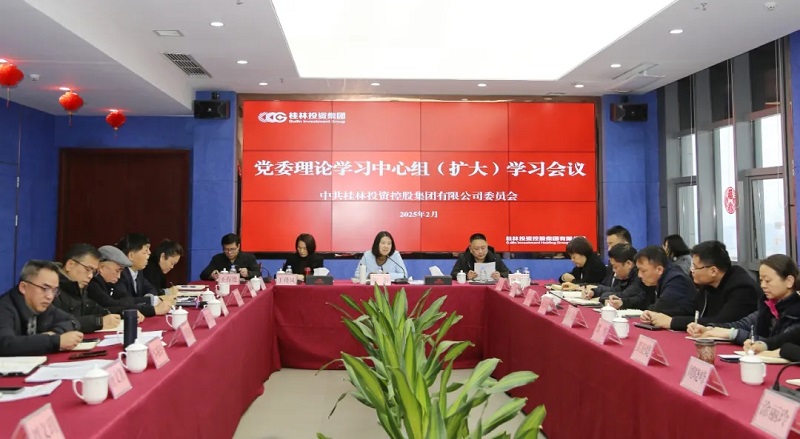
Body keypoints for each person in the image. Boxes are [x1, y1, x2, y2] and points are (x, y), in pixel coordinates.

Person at [688, 254, 800, 346]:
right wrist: (709, 329)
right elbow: (744, 324)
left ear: (789, 281)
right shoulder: (768, 305)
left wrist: (733, 334)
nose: (763, 285)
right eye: (761, 280)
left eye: (768, 281)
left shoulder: (796, 312)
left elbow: (776, 343)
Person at [645, 240, 758, 330]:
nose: (691, 271)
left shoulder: (742, 289)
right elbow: (690, 309)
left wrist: (672, 322)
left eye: (695, 267)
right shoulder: (708, 285)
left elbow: (722, 322)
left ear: (713, 271)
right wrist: (657, 315)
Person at [0, 260, 84, 356]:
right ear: (23, 287)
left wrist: (55, 333)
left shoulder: (43, 305)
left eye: (54, 290)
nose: (50, 296)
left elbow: (72, 321)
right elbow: (5, 344)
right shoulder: (4, 308)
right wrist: (55, 341)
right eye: (45, 289)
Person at [87, 245, 170, 320]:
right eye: (117, 271)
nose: (119, 276)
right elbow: (112, 305)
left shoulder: (110, 283)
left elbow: (127, 300)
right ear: (101, 267)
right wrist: (153, 310)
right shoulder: (93, 284)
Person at [53, 243, 120, 333]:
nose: (90, 276)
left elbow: (97, 310)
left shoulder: (79, 288)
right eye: (88, 269)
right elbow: (58, 323)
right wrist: (98, 322)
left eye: (94, 272)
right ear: (70, 265)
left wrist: (124, 312)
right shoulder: (51, 288)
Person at [608, 245, 695, 314]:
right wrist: (622, 302)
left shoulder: (676, 280)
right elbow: (643, 299)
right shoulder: (655, 279)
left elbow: (659, 308)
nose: (639, 275)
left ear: (659, 270)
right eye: (638, 270)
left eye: (643, 271)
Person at [115, 233, 177, 308]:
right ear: (131, 256)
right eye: (145, 251)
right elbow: (126, 301)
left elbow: (151, 288)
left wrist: (150, 297)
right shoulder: (119, 273)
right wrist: (151, 300)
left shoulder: (138, 272)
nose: (149, 254)